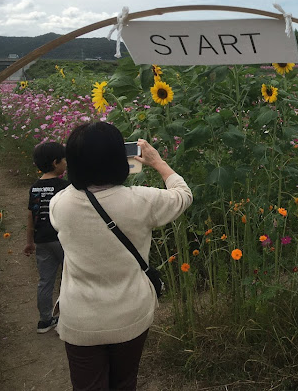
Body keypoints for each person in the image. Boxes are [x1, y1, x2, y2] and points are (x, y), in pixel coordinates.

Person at [49, 122, 192, 391]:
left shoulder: (60, 204)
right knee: (125, 382)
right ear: (120, 160)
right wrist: (157, 162)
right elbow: (183, 195)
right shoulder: (142, 201)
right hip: (130, 314)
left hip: (81, 318)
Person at [23, 141, 69, 334]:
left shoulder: (34, 188)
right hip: (62, 239)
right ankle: (68, 318)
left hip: (42, 240)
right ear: (55, 162)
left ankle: (45, 321)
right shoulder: (64, 186)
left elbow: (31, 216)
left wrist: (29, 242)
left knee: (45, 280)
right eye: (64, 160)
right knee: (69, 277)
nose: (66, 163)